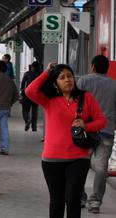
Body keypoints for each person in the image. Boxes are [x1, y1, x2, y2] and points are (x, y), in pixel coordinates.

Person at [26, 63, 107, 218]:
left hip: (78, 158)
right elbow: (30, 91)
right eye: (61, 77)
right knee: (56, 201)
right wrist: (47, 72)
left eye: (69, 76)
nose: (67, 80)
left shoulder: (86, 98)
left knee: (73, 200)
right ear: (55, 83)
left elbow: (102, 121)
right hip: (51, 159)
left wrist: (86, 125)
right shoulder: (49, 101)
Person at [77, 55, 116, 214]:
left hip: (85, 130)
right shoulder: (114, 85)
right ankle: (95, 203)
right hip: (106, 130)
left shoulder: (83, 81)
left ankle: (80, 198)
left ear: (92, 66)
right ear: (107, 68)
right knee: (101, 168)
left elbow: (74, 103)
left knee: (79, 165)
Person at [20, 61, 42, 132]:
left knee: (25, 110)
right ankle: (34, 127)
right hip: (36, 95)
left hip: (27, 94)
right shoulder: (41, 74)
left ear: (32, 66)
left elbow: (23, 84)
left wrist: (22, 91)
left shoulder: (27, 74)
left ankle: (27, 120)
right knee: (34, 111)